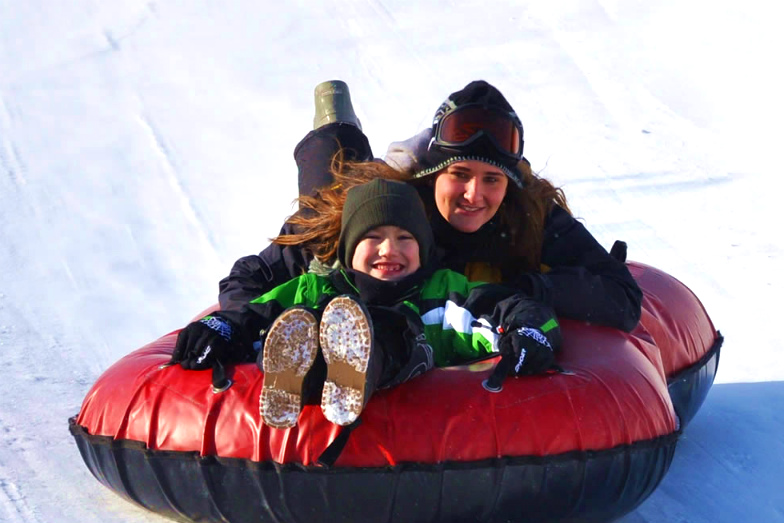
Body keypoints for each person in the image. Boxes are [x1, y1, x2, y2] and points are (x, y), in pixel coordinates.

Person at [211, 79, 642, 342]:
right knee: (327, 180)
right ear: (434, 173)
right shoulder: (385, 205)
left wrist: (523, 289)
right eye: (459, 173)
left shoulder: (526, 211)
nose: (475, 194)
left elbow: (621, 298)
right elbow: (252, 275)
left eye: (492, 179)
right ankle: (335, 121)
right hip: (373, 184)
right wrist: (247, 324)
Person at [174, 178, 562, 430]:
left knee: (396, 331)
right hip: (311, 364)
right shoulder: (313, 288)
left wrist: (528, 332)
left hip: (395, 355)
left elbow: (509, 308)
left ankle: (355, 365)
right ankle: (298, 376)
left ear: (424, 248)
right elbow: (252, 316)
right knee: (301, 319)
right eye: (373, 237)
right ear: (349, 248)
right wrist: (219, 329)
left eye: (404, 238)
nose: (389, 250)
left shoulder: (443, 293)